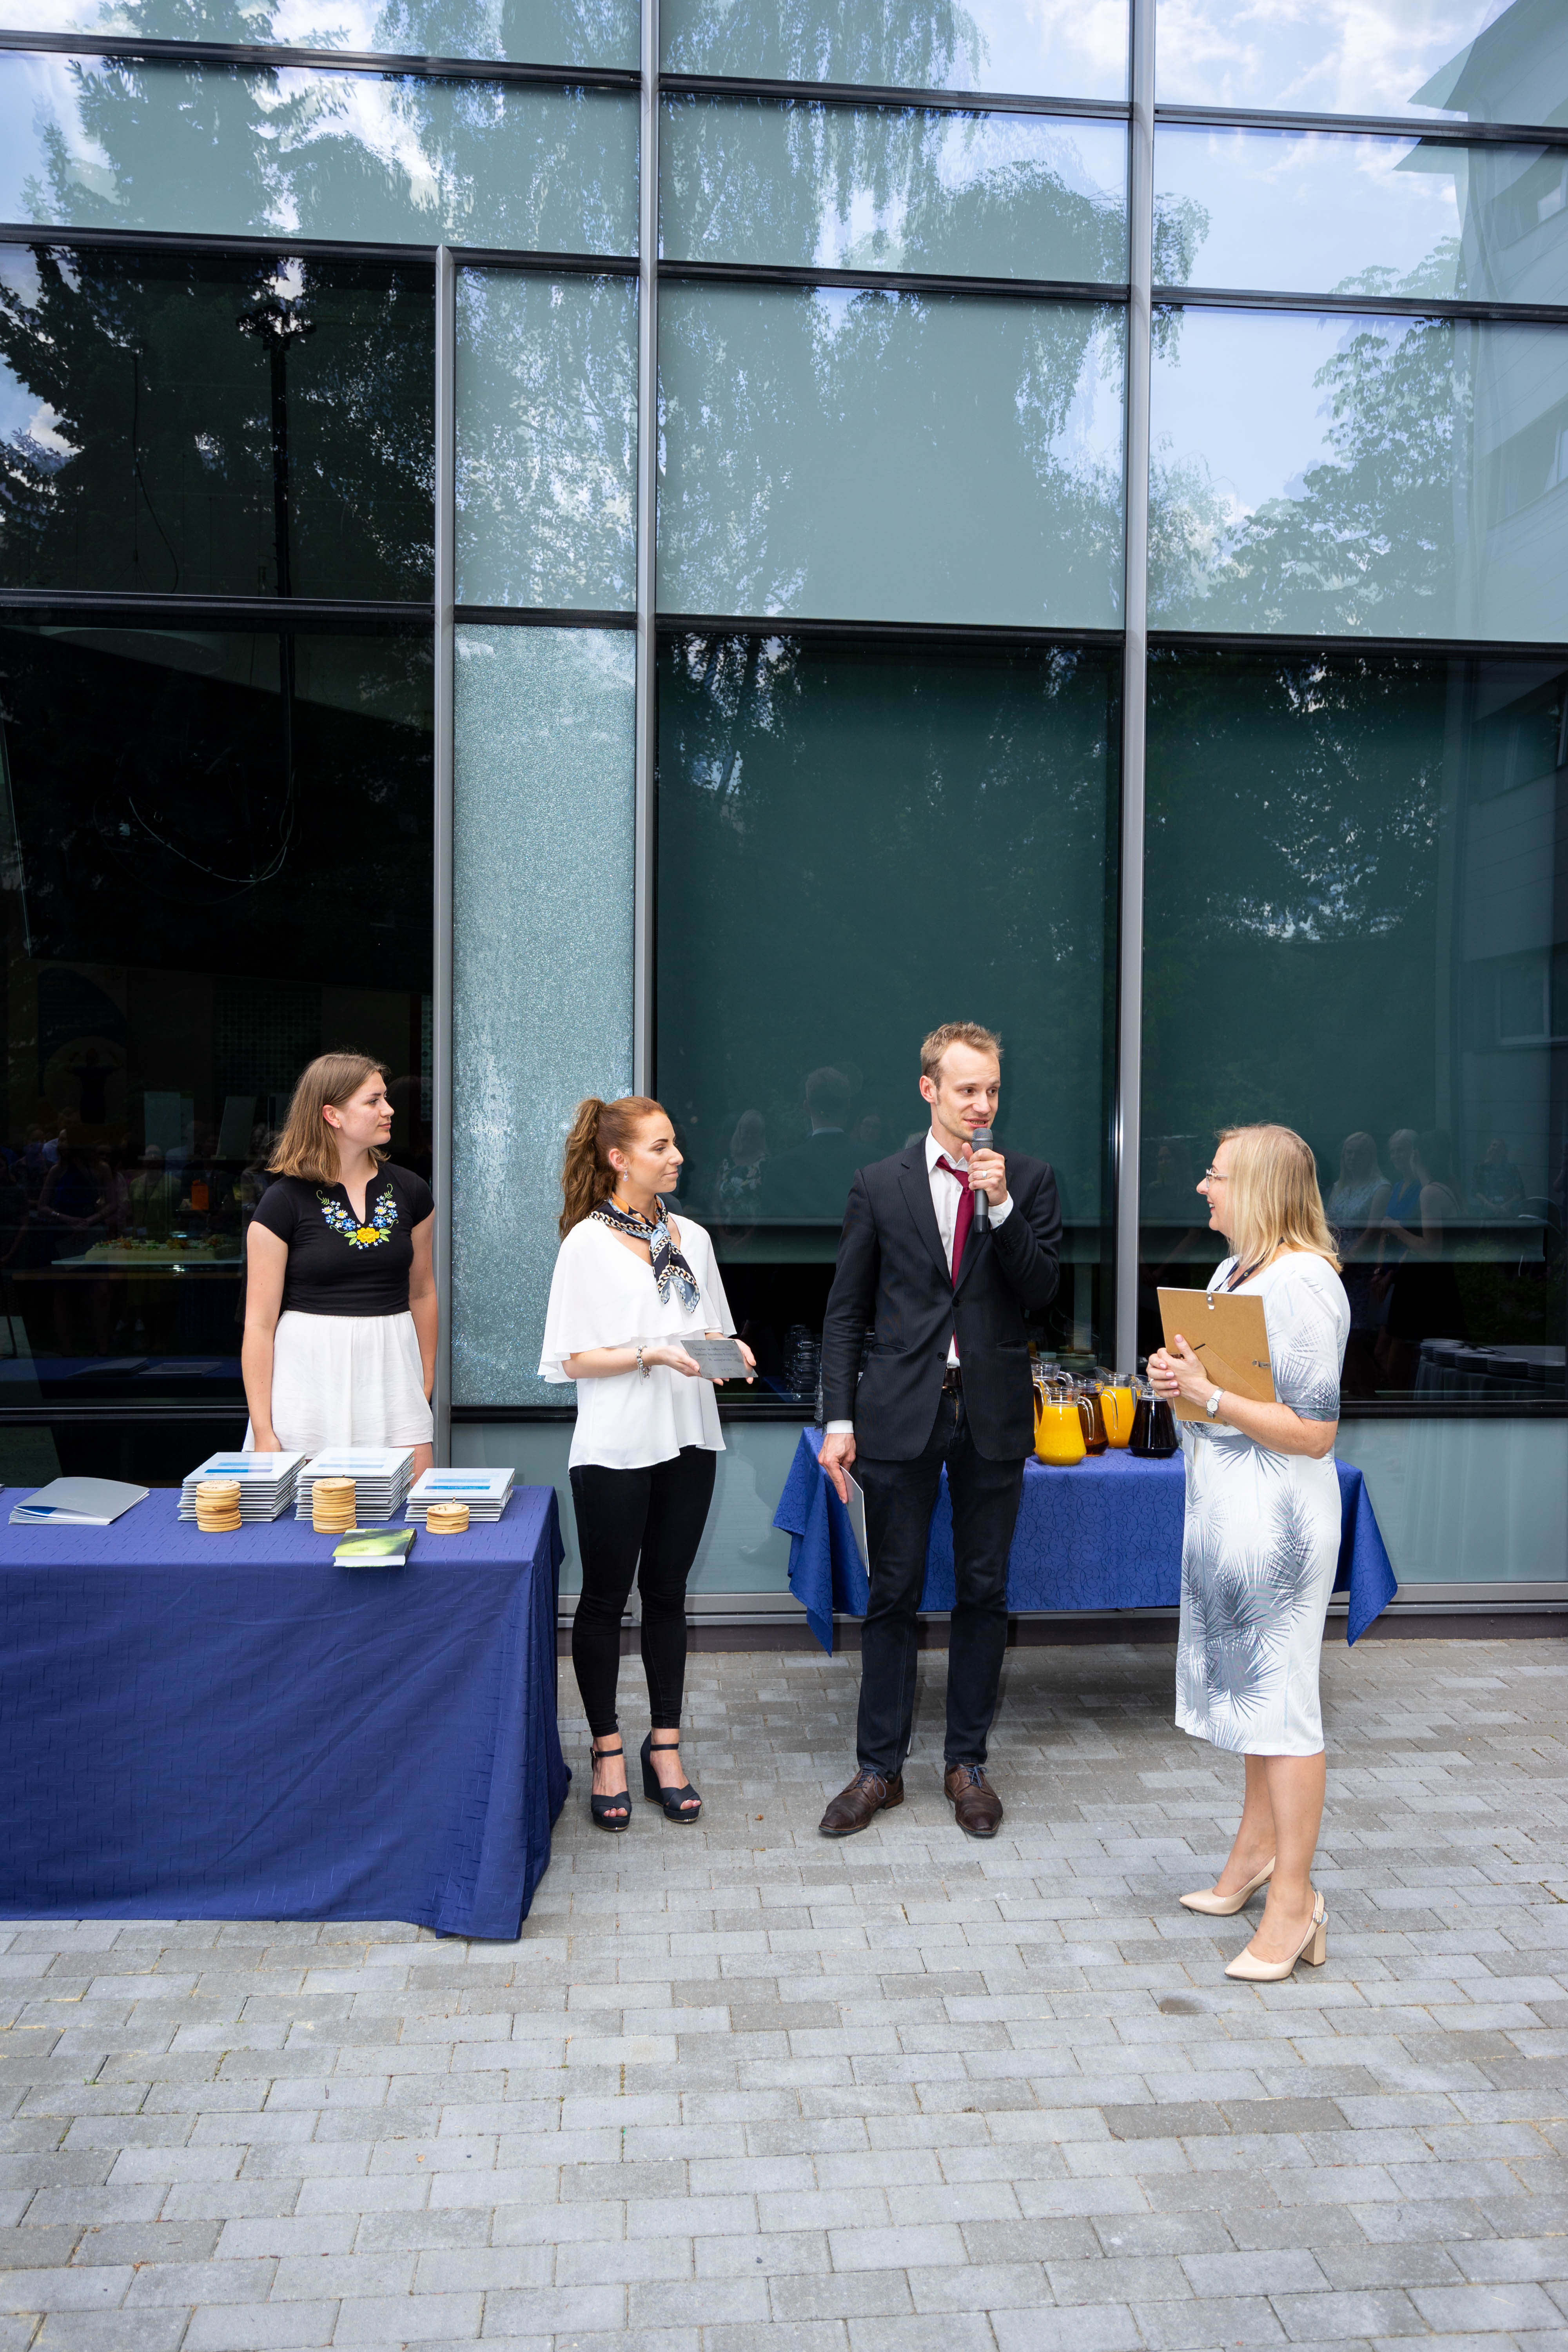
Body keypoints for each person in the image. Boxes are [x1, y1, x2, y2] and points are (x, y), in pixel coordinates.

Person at [816, 1021, 1062, 1839]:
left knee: (982, 1592)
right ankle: (878, 1770)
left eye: (991, 1091)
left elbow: (1042, 1292)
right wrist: (838, 1418)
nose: (981, 1105)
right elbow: (845, 1314)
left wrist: (1002, 1207)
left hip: (992, 1414)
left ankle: (967, 1764)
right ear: (929, 1090)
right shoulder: (877, 1185)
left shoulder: (1028, 1180)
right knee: (891, 1592)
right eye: (966, 1090)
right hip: (898, 1411)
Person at [1148, 1123, 1349, 1983]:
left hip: (1280, 1530)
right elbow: (1216, 1403)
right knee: (1260, 1710)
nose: (1203, 1187)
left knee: (1286, 1710)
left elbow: (1314, 1431)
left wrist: (1210, 1395)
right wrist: (1179, 1387)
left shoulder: (1304, 1283)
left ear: (1260, 1187)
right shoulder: (1232, 1273)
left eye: (1217, 1175)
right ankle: (1252, 1859)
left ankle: (1294, 1905)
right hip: (1230, 1518)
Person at [539, 1095, 755, 1832]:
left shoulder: (691, 1238)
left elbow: (709, 1330)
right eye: (661, 1147)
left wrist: (729, 1353)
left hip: (689, 1437)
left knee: (666, 1594)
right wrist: (651, 1353)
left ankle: (664, 1746)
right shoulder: (585, 1245)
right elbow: (572, 1359)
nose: (677, 1157)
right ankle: (606, 1751)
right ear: (619, 1159)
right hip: (617, 1445)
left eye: (674, 1144)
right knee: (606, 1599)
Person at [241, 1053, 436, 1471]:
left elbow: (422, 1292)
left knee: (413, 1503)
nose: (389, 1110)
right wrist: (263, 1429)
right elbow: (258, 1324)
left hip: (392, 1372)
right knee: (313, 1509)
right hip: (306, 1381)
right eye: (374, 1101)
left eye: (385, 1099)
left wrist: (425, 1381)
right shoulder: (282, 1202)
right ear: (332, 1115)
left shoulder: (413, 1191)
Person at [1324, 1131, 1389, 1398]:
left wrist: (1347, 1259)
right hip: (1334, 1265)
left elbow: (1373, 1230)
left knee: (1357, 1334)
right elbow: (1326, 1225)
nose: (1352, 1158)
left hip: (1360, 1267)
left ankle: (1369, 1397)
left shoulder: (1381, 1188)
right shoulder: (1338, 1186)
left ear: (1370, 1157)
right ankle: (1350, 1393)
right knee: (1336, 1332)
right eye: (1348, 1153)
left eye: (1359, 1154)